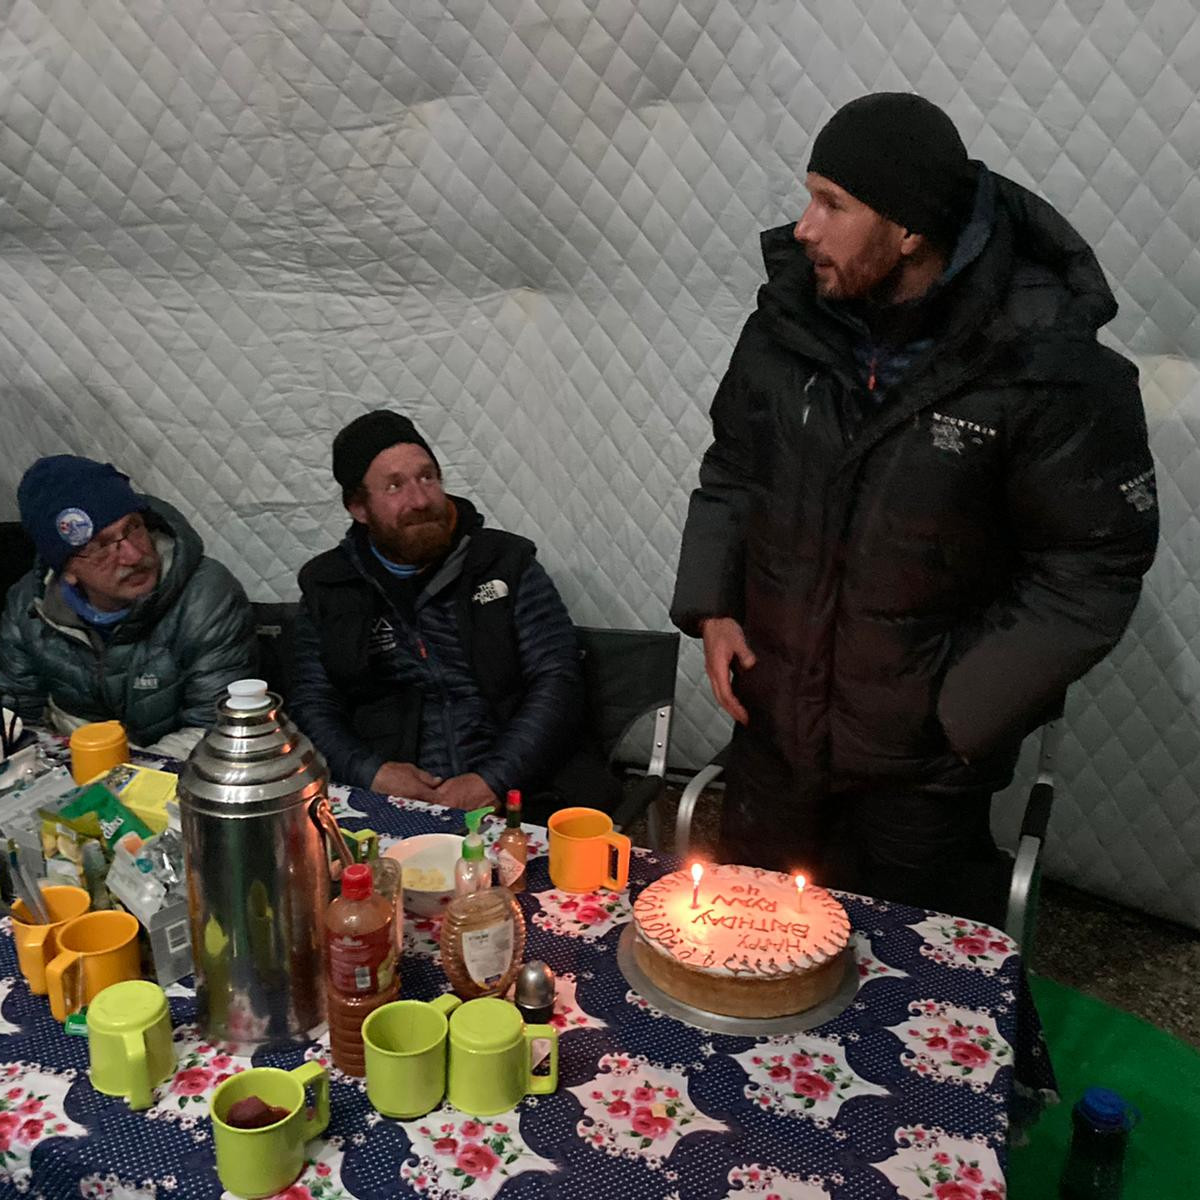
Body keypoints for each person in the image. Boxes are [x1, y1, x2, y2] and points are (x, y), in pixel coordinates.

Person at [671, 93, 1159, 924]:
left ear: (908, 231)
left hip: (920, 780)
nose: (803, 228)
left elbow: (1094, 563)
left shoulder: (1041, 362)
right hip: (774, 739)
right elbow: (734, 466)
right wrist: (713, 607)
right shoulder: (788, 322)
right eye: (808, 196)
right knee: (753, 960)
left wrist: (958, 708)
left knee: (901, 992)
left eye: (833, 204)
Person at [292, 410, 612, 818]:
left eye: (427, 477)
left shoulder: (505, 564)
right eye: (395, 486)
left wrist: (492, 779)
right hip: (386, 799)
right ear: (359, 507)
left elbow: (557, 679)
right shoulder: (329, 586)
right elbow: (311, 703)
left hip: (524, 790)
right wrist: (370, 773)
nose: (421, 500)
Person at [0, 455, 256, 757]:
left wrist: (125, 786)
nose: (133, 556)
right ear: (66, 569)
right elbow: (16, 719)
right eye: (100, 547)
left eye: (133, 527)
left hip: (175, 775)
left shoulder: (206, 595)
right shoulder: (30, 606)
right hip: (68, 772)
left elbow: (215, 727)